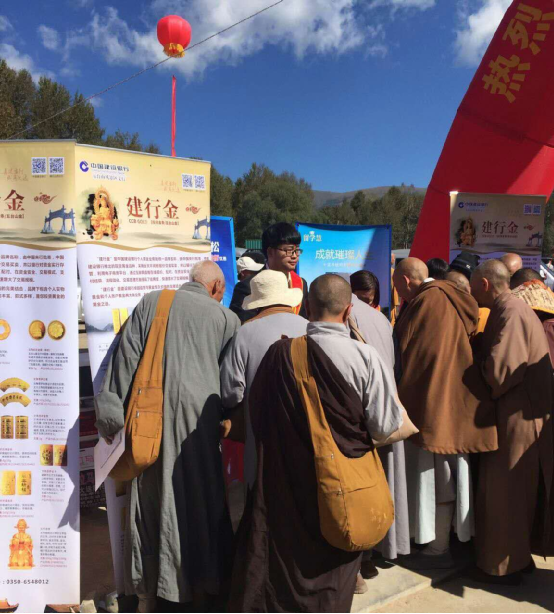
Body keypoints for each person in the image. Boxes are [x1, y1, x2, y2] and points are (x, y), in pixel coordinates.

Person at [229, 274, 404, 614]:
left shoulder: (280, 354)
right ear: (349, 310)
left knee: (287, 565)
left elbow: (257, 414)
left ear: (307, 307)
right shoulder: (366, 357)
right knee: (334, 565)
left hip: (288, 484)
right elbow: (384, 427)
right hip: (342, 484)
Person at [95, 261, 240, 613]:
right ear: (217, 288)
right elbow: (229, 386)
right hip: (200, 430)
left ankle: (152, 592)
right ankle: (201, 585)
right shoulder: (227, 320)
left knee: (152, 505)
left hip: (150, 428)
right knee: (201, 503)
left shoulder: (153, 302)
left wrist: (111, 417)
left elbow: (125, 359)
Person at [393, 258, 497, 570]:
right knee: (449, 476)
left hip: (431, 402)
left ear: (405, 281)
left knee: (436, 479)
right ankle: (442, 541)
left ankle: (437, 546)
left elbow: (416, 355)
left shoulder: (430, 301)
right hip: (456, 402)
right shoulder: (451, 298)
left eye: (396, 284)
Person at [470, 260, 553, 583]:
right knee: (513, 492)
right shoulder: (508, 309)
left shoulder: (512, 312)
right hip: (514, 415)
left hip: (518, 419)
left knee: (506, 494)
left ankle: (506, 567)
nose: (471, 293)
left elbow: (501, 372)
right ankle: (515, 559)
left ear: (485, 284)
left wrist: (472, 365)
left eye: (473, 286)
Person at [221, 270, 308, 491]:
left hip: (260, 440)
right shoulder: (309, 328)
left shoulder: (245, 333)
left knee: (263, 497)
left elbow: (231, 393)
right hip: (306, 434)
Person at [349, 290, 410, 586]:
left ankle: (363, 557)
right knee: (385, 483)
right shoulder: (381, 319)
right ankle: (380, 549)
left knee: (359, 490)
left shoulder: (345, 323)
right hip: (386, 416)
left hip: (359, 424)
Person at [230, 223, 308, 323]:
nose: (294, 256)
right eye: (289, 250)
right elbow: (241, 326)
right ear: (270, 252)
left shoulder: (301, 284)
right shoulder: (247, 286)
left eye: (297, 250)